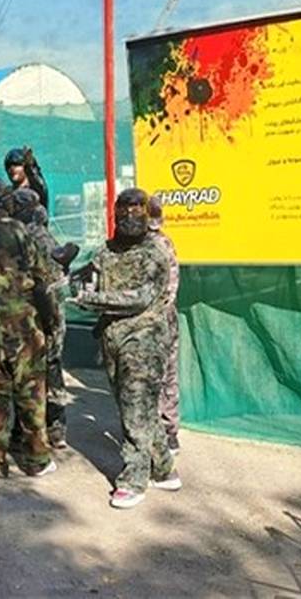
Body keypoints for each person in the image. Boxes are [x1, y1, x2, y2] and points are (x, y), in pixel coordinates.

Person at [72, 188, 180, 509]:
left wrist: (92, 300)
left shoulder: (154, 253)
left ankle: (134, 478)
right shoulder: (106, 252)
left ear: (147, 214)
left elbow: (140, 298)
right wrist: (80, 283)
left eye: (137, 210)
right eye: (124, 209)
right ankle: (164, 469)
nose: (130, 216)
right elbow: (91, 280)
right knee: (136, 407)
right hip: (113, 338)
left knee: (135, 408)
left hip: (145, 339)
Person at [0, 176, 58, 478]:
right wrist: (50, 319)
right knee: (31, 394)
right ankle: (36, 459)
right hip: (23, 324)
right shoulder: (19, 230)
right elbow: (41, 278)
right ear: (5, 200)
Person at [11, 187, 70, 449]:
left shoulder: (34, 239)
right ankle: (51, 428)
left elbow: (46, 284)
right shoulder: (33, 236)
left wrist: (50, 318)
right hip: (44, 314)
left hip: (45, 314)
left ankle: (49, 427)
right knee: (46, 370)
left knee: (41, 370)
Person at [148, 197, 182, 455]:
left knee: (158, 376)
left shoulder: (153, 245)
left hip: (155, 319)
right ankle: (169, 434)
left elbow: (166, 291)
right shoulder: (164, 241)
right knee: (168, 376)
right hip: (166, 318)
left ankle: (163, 434)